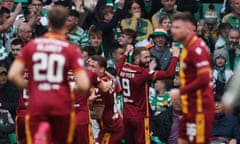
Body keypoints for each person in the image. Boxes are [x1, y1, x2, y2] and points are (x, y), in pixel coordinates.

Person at [8, 5, 90, 144]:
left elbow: (13, 75)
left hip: (37, 103)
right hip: (60, 104)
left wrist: (33, 86)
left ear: (49, 23)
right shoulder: (71, 49)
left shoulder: (32, 45)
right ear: (66, 23)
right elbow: (83, 84)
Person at [116, 45, 179, 144]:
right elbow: (169, 74)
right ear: (136, 58)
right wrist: (175, 56)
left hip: (127, 116)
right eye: (145, 57)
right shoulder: (143, 73)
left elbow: (118, 68)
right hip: (141, 117)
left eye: (149, 57)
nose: (148, 60)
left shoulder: (124, 68)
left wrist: (125, 53)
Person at [169, 12, 214, 144]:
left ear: (189, 29)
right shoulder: (186, 47)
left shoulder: (197, 48)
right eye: (173, 27)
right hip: (189, 107)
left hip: (200, 107)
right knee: (182, 140)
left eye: (177, 27)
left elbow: (205, 78)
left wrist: (180, 91)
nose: (173, 30)